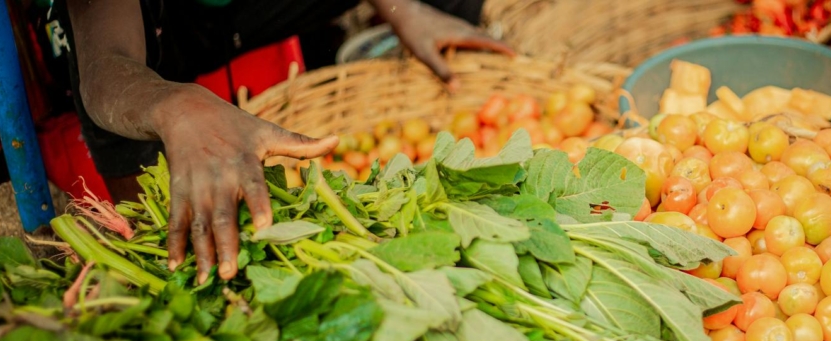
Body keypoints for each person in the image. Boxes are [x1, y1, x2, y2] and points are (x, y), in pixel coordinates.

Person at [56, 0, 512, 284]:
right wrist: (172, 106)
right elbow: (103, 70)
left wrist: (402, 9)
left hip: (238, 11)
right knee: (164, 215)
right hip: (148, 29)